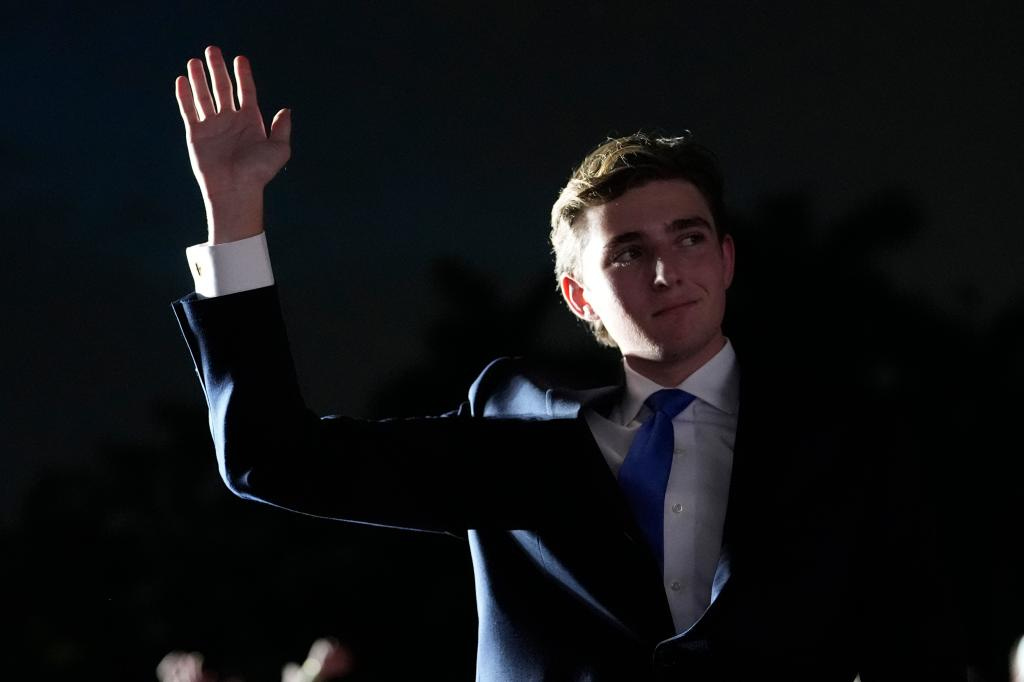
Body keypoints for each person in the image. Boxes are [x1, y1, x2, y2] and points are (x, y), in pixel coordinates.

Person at [171, 46, 968, 681]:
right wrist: (235, 213)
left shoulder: (847, 437)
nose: (667, 271)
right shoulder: (518, 426)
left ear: (726, 260)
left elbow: (920, 652)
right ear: (579, 296)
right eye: (629, 252)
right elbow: (272, 458)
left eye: (690, 238)